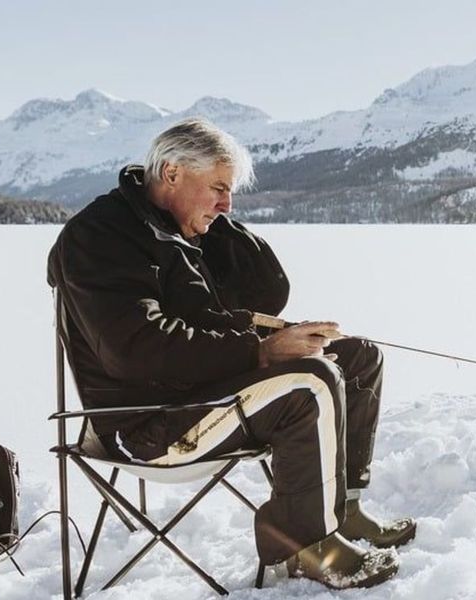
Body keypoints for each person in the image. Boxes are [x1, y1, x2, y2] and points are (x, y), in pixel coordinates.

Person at [46, 117, 413, 590]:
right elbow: (135, 349)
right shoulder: (100, 236)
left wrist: (212, 223)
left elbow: (267, 291)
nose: (227, 202)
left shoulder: (175, 229)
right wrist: (260, 353)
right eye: (219, 187)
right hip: (143, 421)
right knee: (311, 380)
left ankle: (344, 510)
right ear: (173, 174)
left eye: (231, 191)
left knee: (356, 358)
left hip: (197, 393)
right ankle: (307, 546)